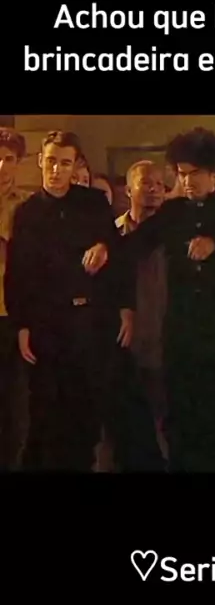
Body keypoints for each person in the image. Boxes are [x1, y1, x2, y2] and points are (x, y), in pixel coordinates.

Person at [120, 128, 215, 472]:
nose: (187, 181)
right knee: (180, 418)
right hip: (181, 334)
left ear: (213, 171)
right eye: (181, 174)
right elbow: (135, 244)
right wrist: (104, 245)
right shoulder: (172, 212)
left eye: (194, 173)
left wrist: (214, 241)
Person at [4, 130, 134, 471]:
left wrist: (105, 250)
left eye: (64, 163)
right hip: (47, 324)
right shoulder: (27, 213)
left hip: (90, 322)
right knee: (46, 412)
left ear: (75, 165)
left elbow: (119, 255)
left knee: (86, 412)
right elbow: (17, 274)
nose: (56, 170)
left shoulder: (93, 203)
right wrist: (22, 325)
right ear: (40, 162)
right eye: (51, 161)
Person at [115, 160, 168, 462]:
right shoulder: (113, 234)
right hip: (125, 343)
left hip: (165, 341)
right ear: (128, 190)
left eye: (160, 184)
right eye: (146, 183)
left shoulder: (173, 236)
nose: (154, 190)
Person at [0, 128, 30, 470]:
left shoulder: (27, 207)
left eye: (8, 159)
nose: (2, 166)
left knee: (14, 408)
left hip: (15, 317)